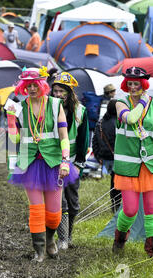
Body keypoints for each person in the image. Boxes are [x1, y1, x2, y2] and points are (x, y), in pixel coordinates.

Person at [6, 67, 79, 262]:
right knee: (36, 210)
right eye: (27, 86)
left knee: (54, 214)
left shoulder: (55, 105)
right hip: (29, 163)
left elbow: (64, 136)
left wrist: (65, 161)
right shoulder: (19, 106)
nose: (31, 89)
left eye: (35, 85)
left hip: (54, 162)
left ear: (42, 85)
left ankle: (49, 240)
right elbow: (14, 140)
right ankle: (38, 250)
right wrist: (11, 121)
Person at [112, 66, 153, 259]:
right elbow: (132, 118)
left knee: (152, 210)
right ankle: (119, 240)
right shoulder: (120, 103)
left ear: (143, 84)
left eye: (137, 83)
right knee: (131, 210)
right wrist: (142, 101)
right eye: (130, 83)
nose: (133, 87)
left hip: (152, 165)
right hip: (128, 167)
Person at [51, 72, 89, 250]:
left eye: (61, 91)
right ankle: (61, 238)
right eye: (55, 91)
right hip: (53, 161)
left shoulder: (80, 111)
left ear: (69, 93)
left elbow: (83, 139)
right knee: (59, 201)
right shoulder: (48, 108)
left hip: (73, 161)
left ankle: (69, 234)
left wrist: (79, 162)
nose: (58, 95)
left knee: (72, 200)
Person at [92, 99, 121, 213]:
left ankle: (114, 206)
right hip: (118, 157)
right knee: (118, 183)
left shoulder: (101, 122)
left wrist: (98, 156)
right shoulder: (119, 123)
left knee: (113, 183)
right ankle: (117, 207)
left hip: (105, 157)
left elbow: (95, 140)